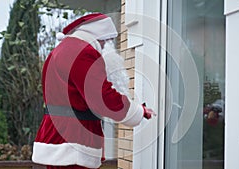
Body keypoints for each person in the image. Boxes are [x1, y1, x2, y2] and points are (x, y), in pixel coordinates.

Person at [32, 13, 155, 169]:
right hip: (73, 139)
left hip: (57, 136)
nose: (104, 46)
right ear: (97, 35)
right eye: (104, 41)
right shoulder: (82, 52)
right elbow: (103, 99)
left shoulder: (59, 51)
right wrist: (138, 111)